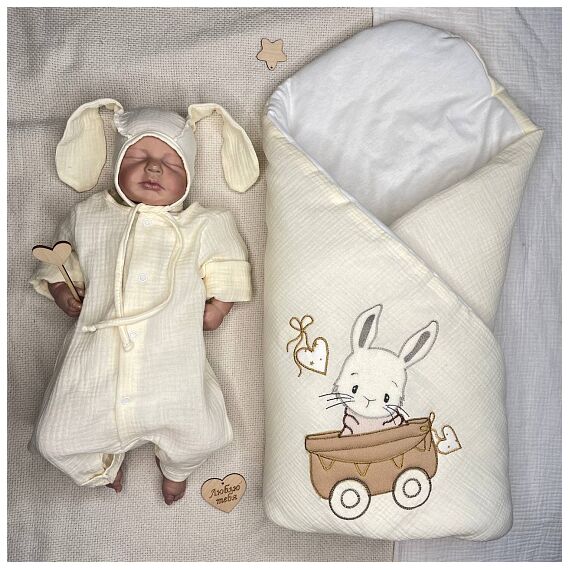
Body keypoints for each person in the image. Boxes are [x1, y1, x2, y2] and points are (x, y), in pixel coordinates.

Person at [30, 100, 258, 505]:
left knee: (203, 434)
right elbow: (62, 259)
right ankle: (101, 467)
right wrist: (63, 290)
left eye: (171, 163)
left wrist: (219, 306)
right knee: (53, 439)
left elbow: (229, 263)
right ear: (118, 165)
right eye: (138, 157)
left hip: (171, 365)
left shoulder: (203, 224)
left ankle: (176, 468)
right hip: (97, 365)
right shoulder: (90, 215)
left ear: (189, 177)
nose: (153, 168)